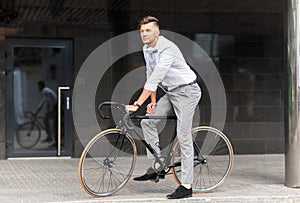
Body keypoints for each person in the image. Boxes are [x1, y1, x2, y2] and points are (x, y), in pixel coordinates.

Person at [126, 16, 201, 199]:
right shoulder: (147, 49)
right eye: (142, 31)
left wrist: (137, 104)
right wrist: (152, 100)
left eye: (148, 30)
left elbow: (156, 77)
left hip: (187, 92)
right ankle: (157, 168)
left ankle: (187, 186)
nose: (144, 34)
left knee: (184, 135)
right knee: (147, 122)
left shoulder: (168, 49)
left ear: (157, 31)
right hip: (171, 92)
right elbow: (150, 73)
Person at [37, 81, 58, 145]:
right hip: (55, 107)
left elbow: (49, 102)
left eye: (39, 86)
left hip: (55, 107)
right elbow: (43, 101)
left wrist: (49, 111)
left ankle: (51, 136)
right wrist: (39, 108)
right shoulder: (45, 91)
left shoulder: (45, 91)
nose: (38, 88)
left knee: (48, 121)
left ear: (41, 85)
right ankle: (50, 136)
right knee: (46, 120)